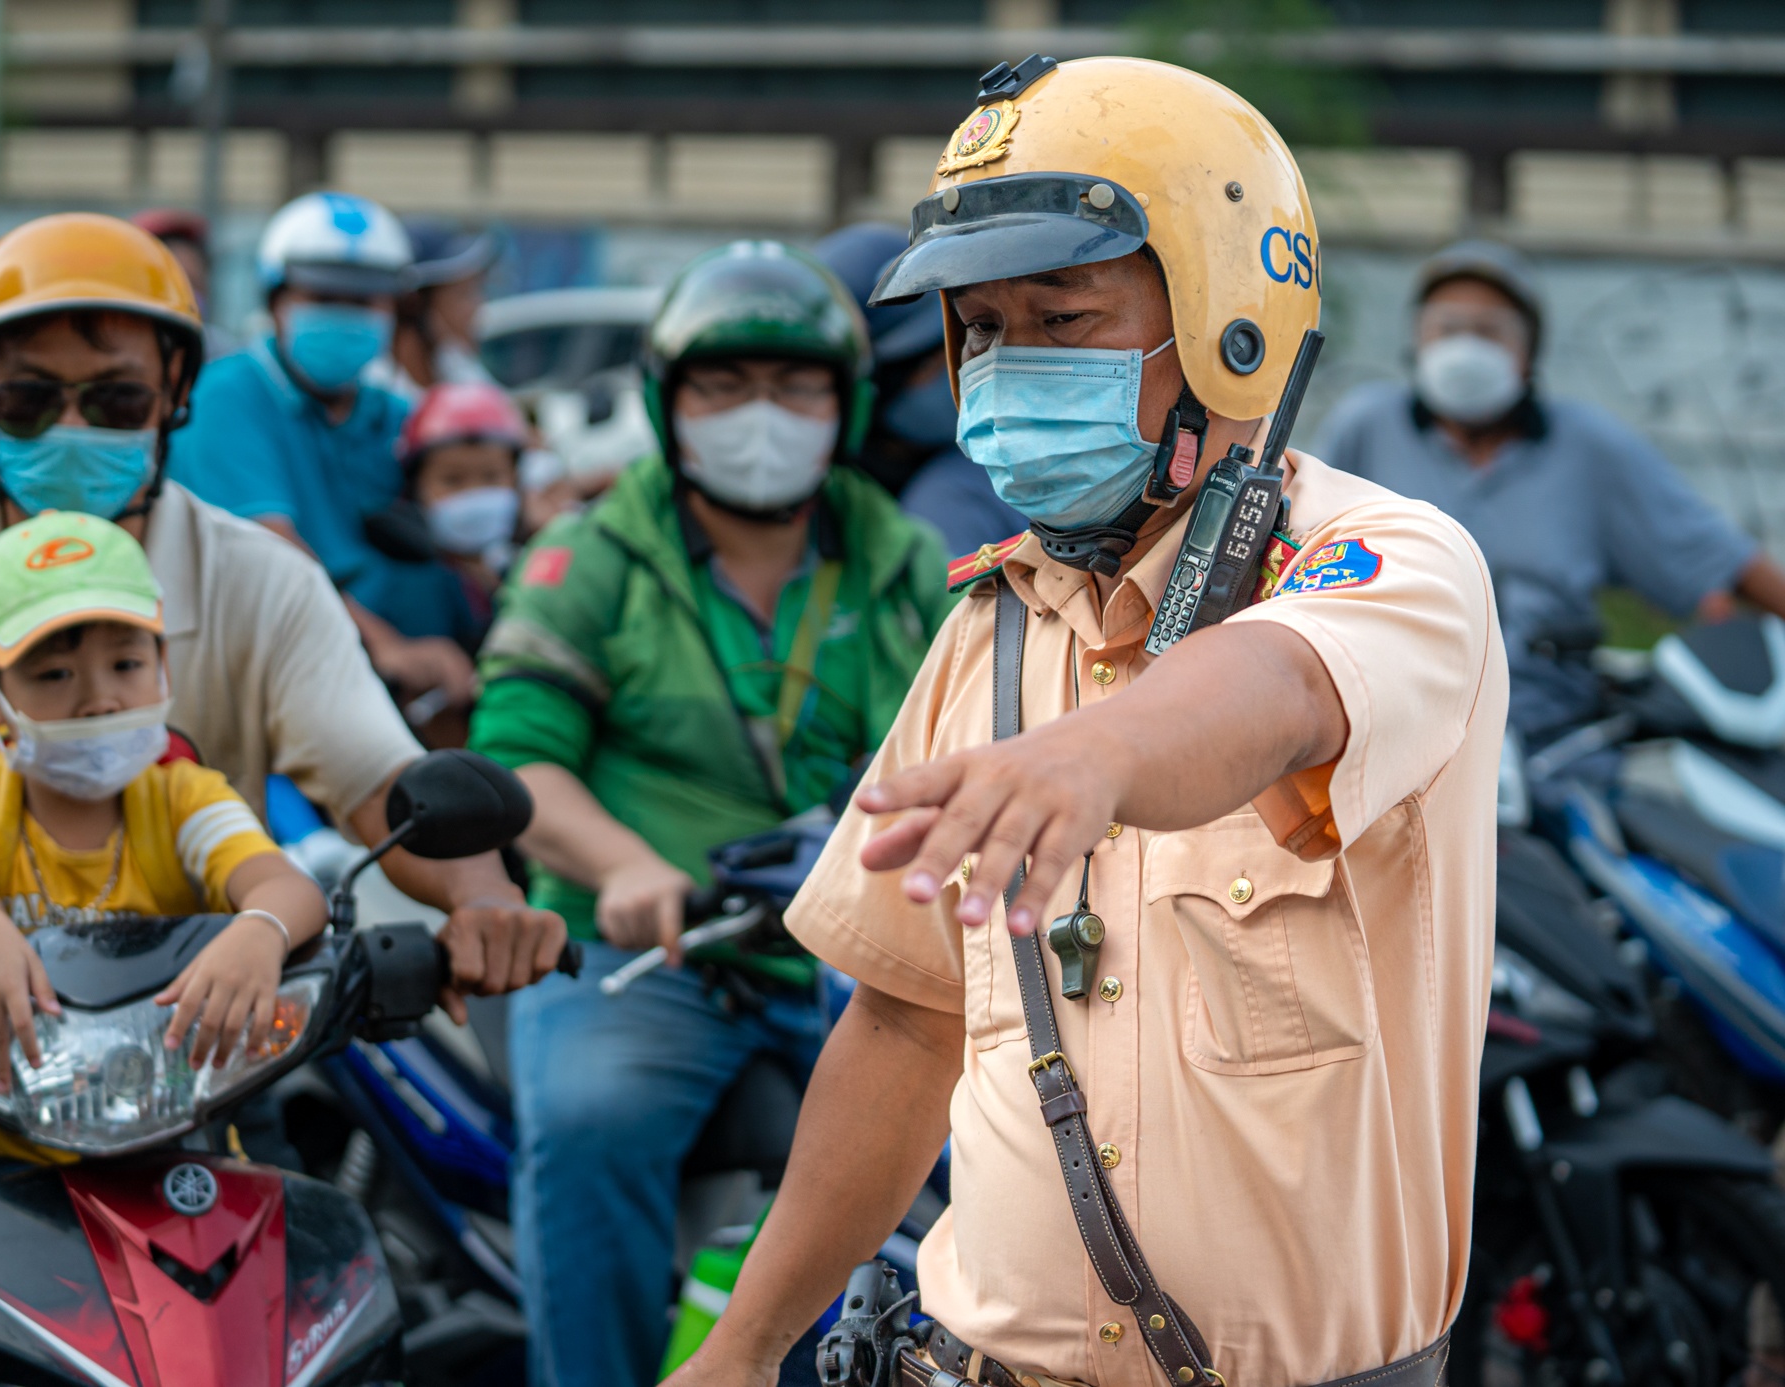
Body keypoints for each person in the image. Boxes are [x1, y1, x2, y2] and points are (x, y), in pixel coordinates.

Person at [672, 56, 1501, 1387]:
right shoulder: (991, 630)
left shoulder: (1390, 558)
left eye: (1062, 318)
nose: (1007, 367)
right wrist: (744, 1346)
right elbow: (902, 1022)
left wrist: (1097, 749)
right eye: (982, 330)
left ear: (1231, 318)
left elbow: (1284, 684)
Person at [0, 211, 565, 1387]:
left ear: (173, 392)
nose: (70, 431)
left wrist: (479, 903)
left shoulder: (255, 599)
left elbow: (378, 789)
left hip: (202, 1060)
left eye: (110, 402)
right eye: (27, 402)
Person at [468, 239, 951, 1387]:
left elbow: (967, 752)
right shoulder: (589, 553)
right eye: (723, 387)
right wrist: (627, 869)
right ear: (665, 402)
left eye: (794, 387)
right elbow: (519, 764)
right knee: (589, 1121)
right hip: (649, 958)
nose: (760, 416)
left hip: (863, 949)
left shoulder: (911, 564)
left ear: (846, 403)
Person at [0, 510, 328, 1245]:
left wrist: (260, 932)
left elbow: (286, 886)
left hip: (182, 1139)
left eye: (127, 664)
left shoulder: (183, 795)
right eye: (54, 673)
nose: (101, 697)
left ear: (163, 666)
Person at [1313, 238, 1785, 741]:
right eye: (1448, 328)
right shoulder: (1366, 427)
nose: (1466, 348)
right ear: (1417, 340)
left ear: (1528, 351)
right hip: (1382, 722)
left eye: (1490, 332)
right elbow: (1289, 552)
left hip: (1548, 735)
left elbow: (1725, 561)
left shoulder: (1591, 449)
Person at [168, 192, 481, 713]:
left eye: (365, 303)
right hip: (296, 682)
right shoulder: (227, 398)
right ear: (275, 301)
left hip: (426, 684)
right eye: (324, 297)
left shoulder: (392, 413)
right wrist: (385, 645)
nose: (346, 315)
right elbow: (273, 552)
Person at [816, 221, 1027, 555]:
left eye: (970, 331)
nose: (963, 363)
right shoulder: (948, 501)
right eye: (931, 360)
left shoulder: (1000, 458)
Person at [396, 379, 530, 647]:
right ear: (415, 487)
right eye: (453, 480)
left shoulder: (524, 568)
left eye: (491, 477)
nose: (474, 494)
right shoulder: (411, 588)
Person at [384, 217, 498, 398]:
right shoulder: (379, 391)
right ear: (414, 303)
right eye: (464, 294)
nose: (477, 305)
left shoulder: (457, 366)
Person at [131, 206, 239, 360]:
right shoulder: (125, 356)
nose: (187, 296)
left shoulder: (225, 356)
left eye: (193, 283)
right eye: (175, 284)